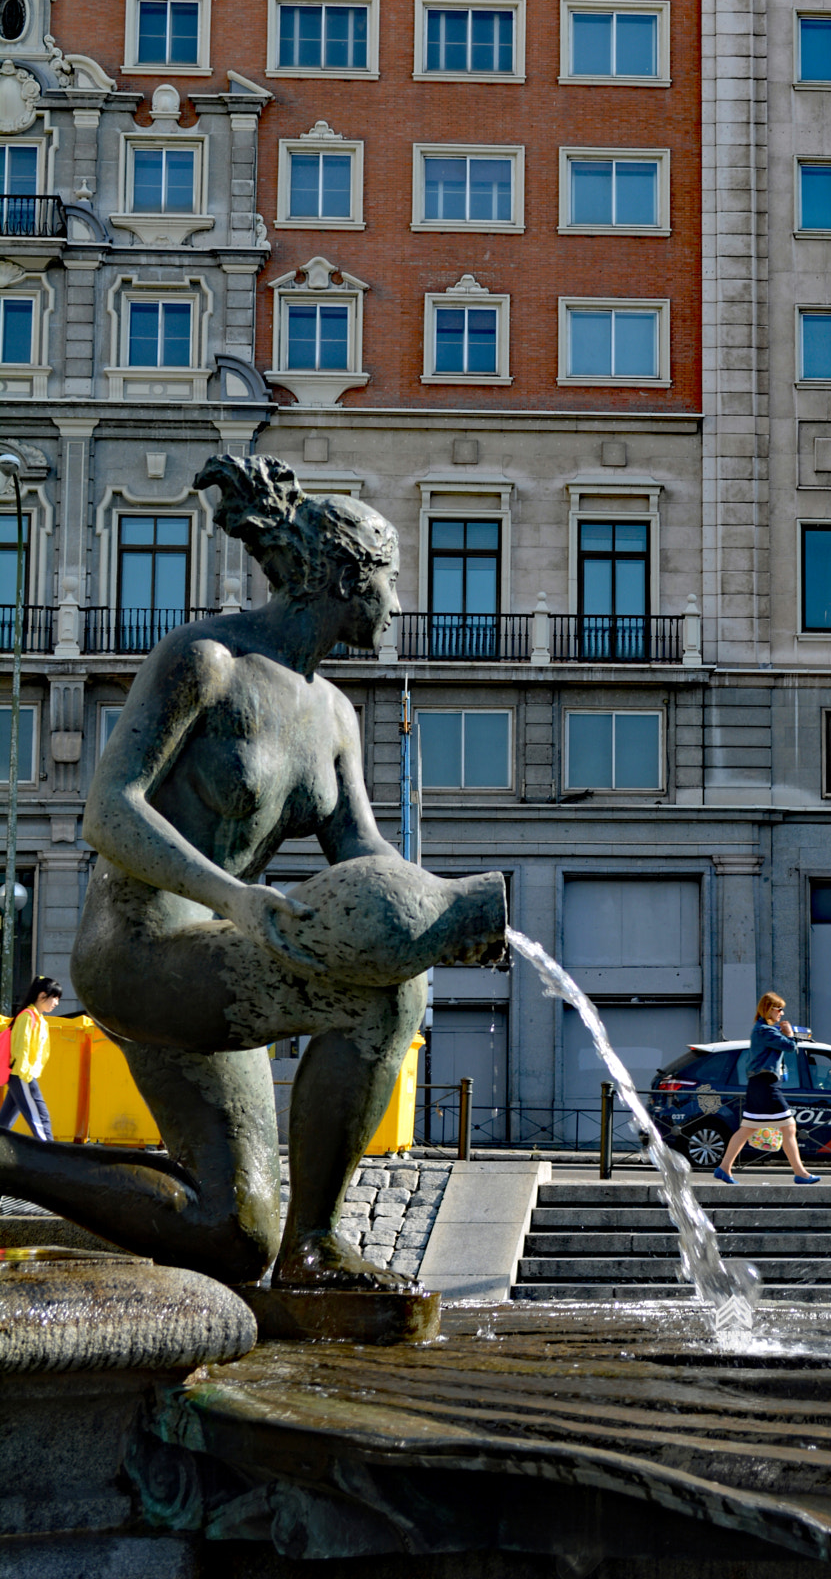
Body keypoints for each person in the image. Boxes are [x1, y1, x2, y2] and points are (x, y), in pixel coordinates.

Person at [0, 454, 505, 1291]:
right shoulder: (207, 661)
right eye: (390, 582)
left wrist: (448, 914)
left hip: (219, 957)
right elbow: (108, 810)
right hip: (139, 952)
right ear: (347, 579)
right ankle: (318, 1247)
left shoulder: (335, 713)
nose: (398, 605)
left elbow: (364, 854)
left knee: (229, 1234)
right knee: (383, 996)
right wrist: (231, 895)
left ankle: (12, 1163)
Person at [715, 993, 820, 1185]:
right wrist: (789, 1033)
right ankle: (800, 1173)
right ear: (768, 1009)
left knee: (747, 1129)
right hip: (766, 1085)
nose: (781, 1013)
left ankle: (724, 1168)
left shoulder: (762, 1030)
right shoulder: (765, 1031)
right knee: (788, 1126)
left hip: (760, 1084)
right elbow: (790, 1047)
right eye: (778, 1008)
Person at [0, 977, 62, 1142]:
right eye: (54, 997)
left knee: (4, 1121)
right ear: (42, 996)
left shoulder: (38, 1018)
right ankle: (50, 1155)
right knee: (40, 1117)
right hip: (22, 1074)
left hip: (22, 1074)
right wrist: (25, 1075)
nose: (56, 1002)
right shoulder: (28, 1017)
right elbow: (22, 1047)